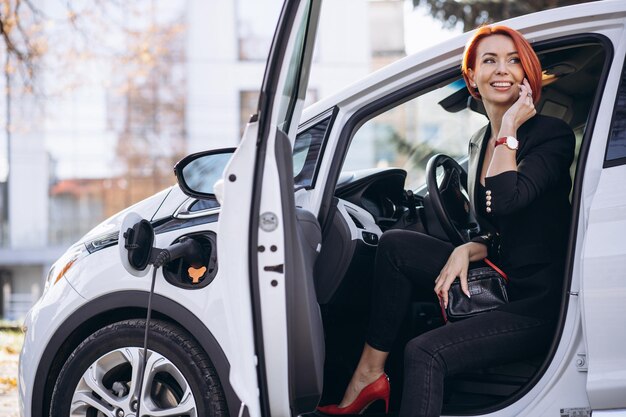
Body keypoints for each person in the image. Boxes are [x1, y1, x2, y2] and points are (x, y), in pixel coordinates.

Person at [317, 25, 575, 417]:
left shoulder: (550, 135)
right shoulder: (478, 140)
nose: (502, 70)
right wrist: (472, 246)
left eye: (513, 61)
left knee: (425, 352)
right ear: (471, 75)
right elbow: (503, 225)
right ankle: (368, 374)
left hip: (537, 302)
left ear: (527, 74)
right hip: (502, 275)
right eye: (489, 60)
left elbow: (508, 199)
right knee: (395, 246)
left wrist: (508, 130)